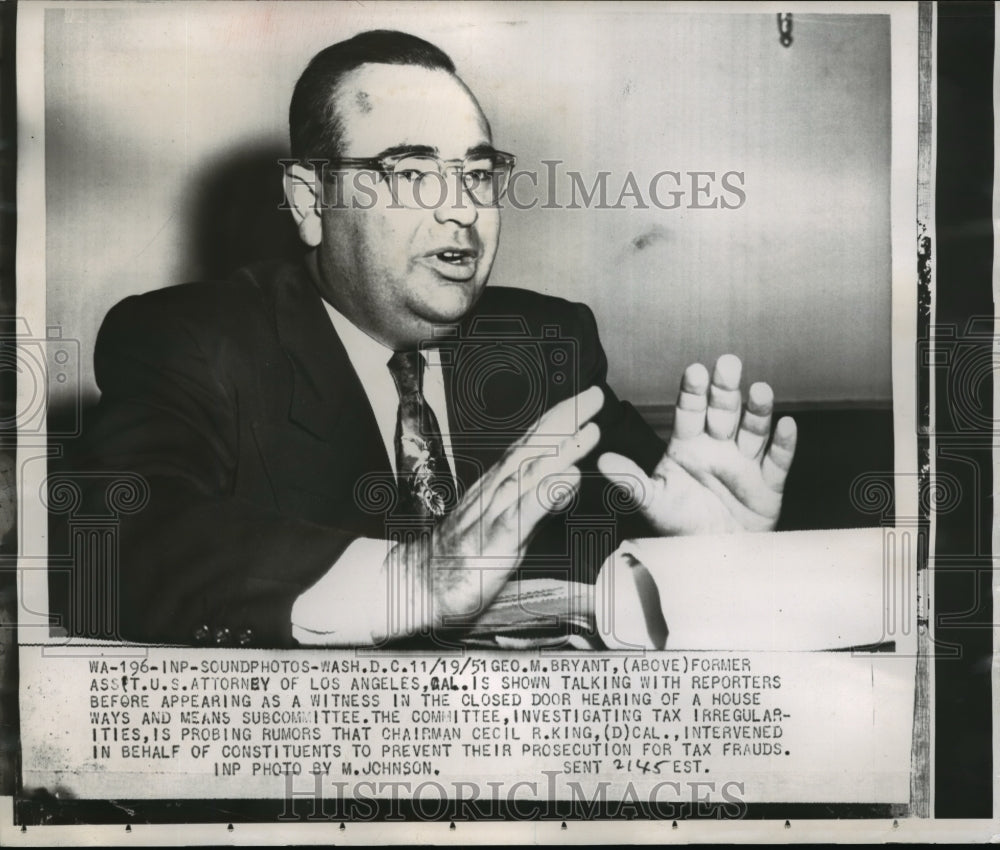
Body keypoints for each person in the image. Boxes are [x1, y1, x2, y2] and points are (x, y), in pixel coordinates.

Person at [64, 30, 796, 648]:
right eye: (411, 173)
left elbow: (656, 586)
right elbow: (116, 544)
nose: (461, 212)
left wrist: (712, 559)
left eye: (477, 175)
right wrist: (411, 580)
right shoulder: (194, 340)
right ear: (310, 200)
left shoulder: (544, 343)